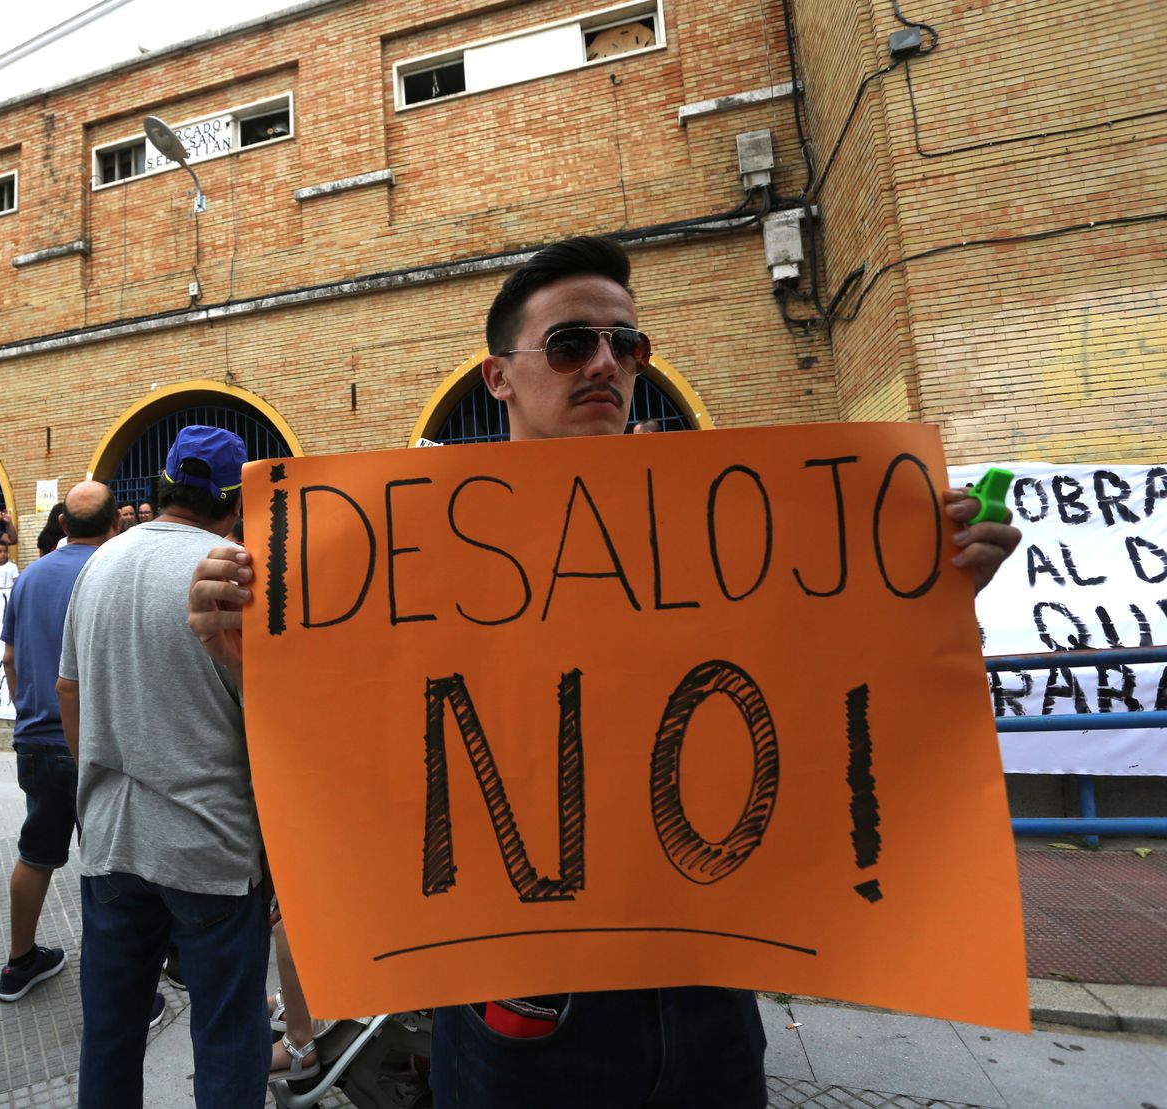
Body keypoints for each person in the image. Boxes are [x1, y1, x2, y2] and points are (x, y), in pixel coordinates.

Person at [187, 236, 1024, 1107]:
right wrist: (258, 665)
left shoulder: (727, 530)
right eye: (569, 343)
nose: (605, 364)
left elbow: (829, 708)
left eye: (627, 345)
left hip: (707, 995)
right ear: (499, 377)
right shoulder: (421, 560)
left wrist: (927, 590)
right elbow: (370, 761)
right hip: (525, 1011)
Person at [59, 426, 267, 1107]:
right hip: (212, 844)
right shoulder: (237, 571)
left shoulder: (101, 562)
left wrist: (93, 784)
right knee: (229, 1034)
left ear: (164, 483)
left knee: (110, 1032)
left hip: (113, 839)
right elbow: (268, 718)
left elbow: (69, 688)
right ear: (236, 500)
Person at [0, 481, 132, 1006]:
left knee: (36, 853)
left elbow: (9, 658)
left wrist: (27, 712)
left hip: (36, 739)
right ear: (114, 524)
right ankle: (124, 992)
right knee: (112, 865)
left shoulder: (28, 578)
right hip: (98, 738)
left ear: (63, 526)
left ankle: (19, 961)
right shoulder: (113, 570)